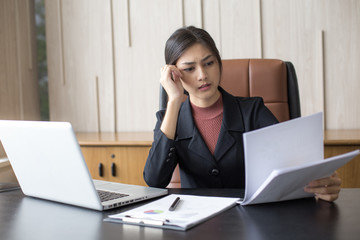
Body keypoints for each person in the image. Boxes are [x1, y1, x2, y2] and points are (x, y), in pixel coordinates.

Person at [143, 26, 341, 202]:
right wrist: (175, 100)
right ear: (175, 74)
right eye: (190, 68)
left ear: (219, 63)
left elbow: (292, 163)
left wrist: (322, 181)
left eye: (209, 63)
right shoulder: (169, 119)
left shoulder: (252, 111)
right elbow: (154, 180)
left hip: (250, 220)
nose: (202, 75)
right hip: (195, 226)